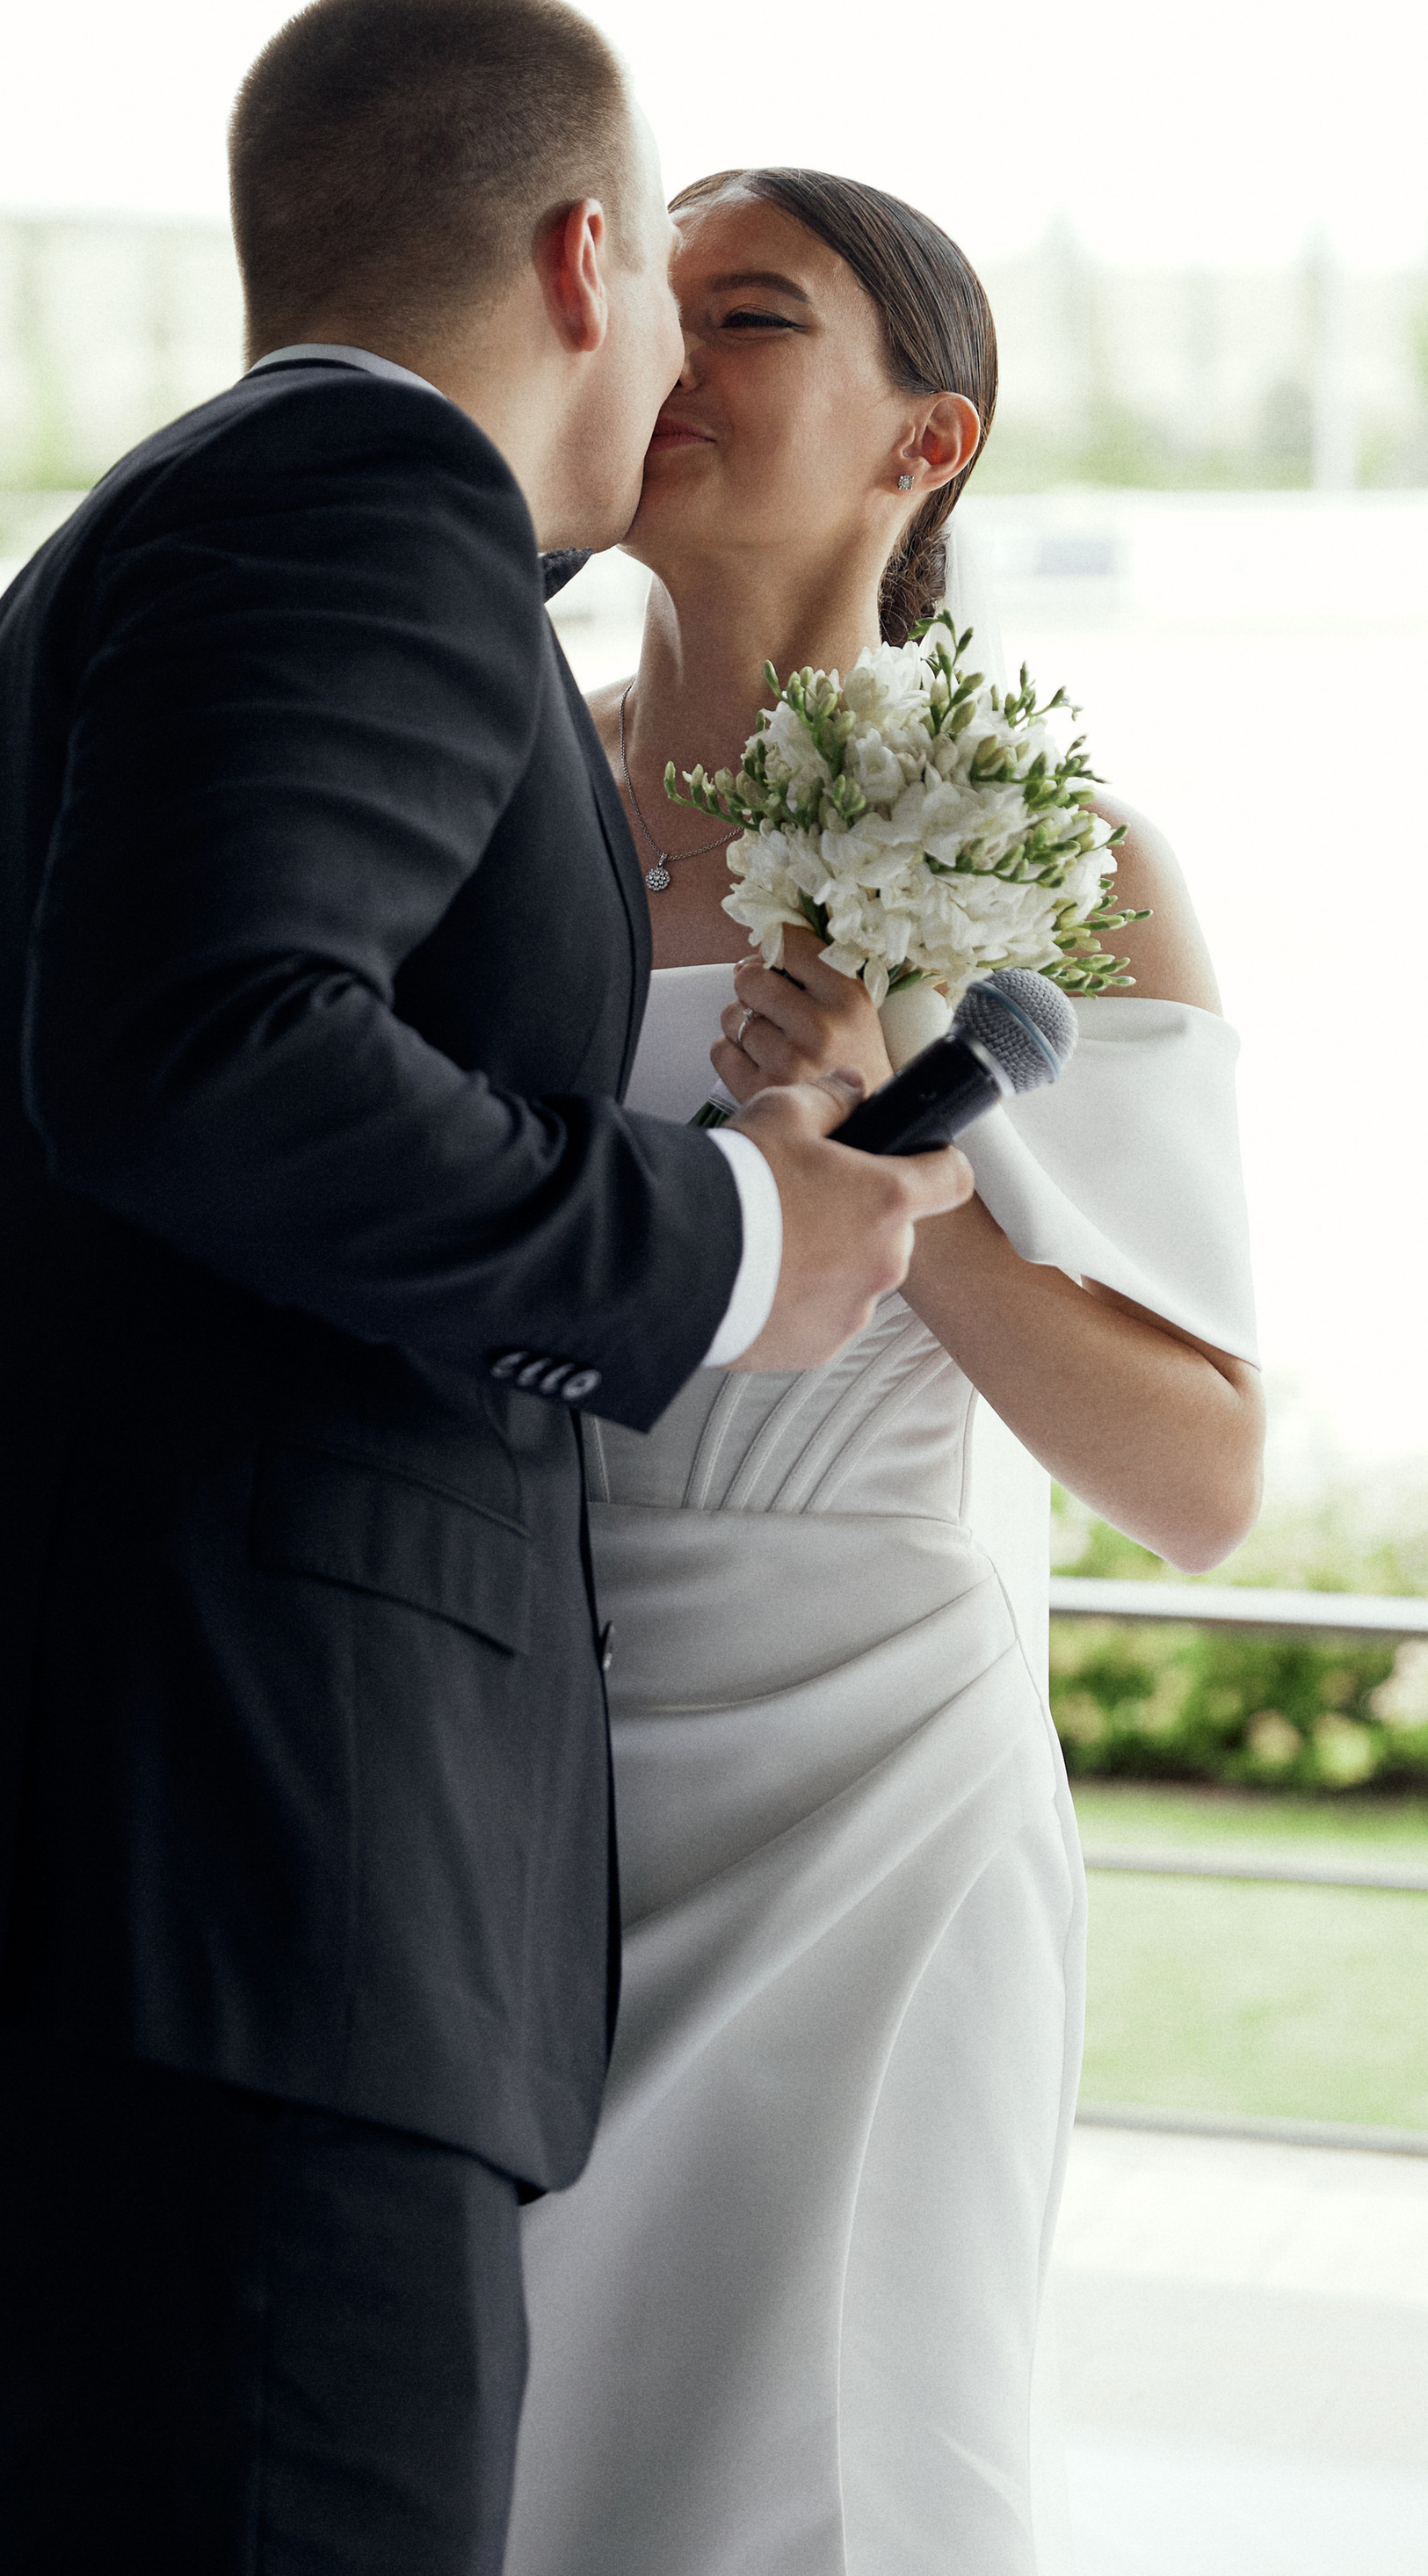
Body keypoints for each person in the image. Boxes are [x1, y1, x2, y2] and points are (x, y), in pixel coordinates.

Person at [0, 0, 971, 2576]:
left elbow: (58, 1105)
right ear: (584, 256)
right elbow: (207, 1056)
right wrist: (728, 1240)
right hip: (234, 1876)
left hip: (71, 1850)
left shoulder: (143, 529)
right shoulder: (373, 507)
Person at [501, 169, 1265, 2576]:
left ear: (927, 446)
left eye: (755, 319)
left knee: (839, 2471)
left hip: (877, 1811)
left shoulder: (1065, 867)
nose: (679, 363)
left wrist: (892, 1197)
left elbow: (1204, 1482)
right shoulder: (476, 811)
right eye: (660, 309)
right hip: (486, 1751)